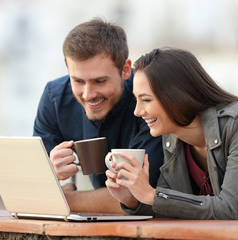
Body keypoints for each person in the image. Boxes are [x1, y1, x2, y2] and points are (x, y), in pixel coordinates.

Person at [105, 47, 238, 220]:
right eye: (136, 100)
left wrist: (151, 194)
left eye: (146, 100)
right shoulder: (172, 137)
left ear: (177, 96)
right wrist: (132, 199)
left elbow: (230, 209)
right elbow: (171, 209)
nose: (137, 111)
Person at [33, 18, 163, 214]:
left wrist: (62, 200)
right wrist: (51, 172)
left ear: (125, 70)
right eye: (77, 81)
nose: (88, 94)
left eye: (100, 81)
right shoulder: (55, 97)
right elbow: (31, 190)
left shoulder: (150, 98)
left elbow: (134, 198)